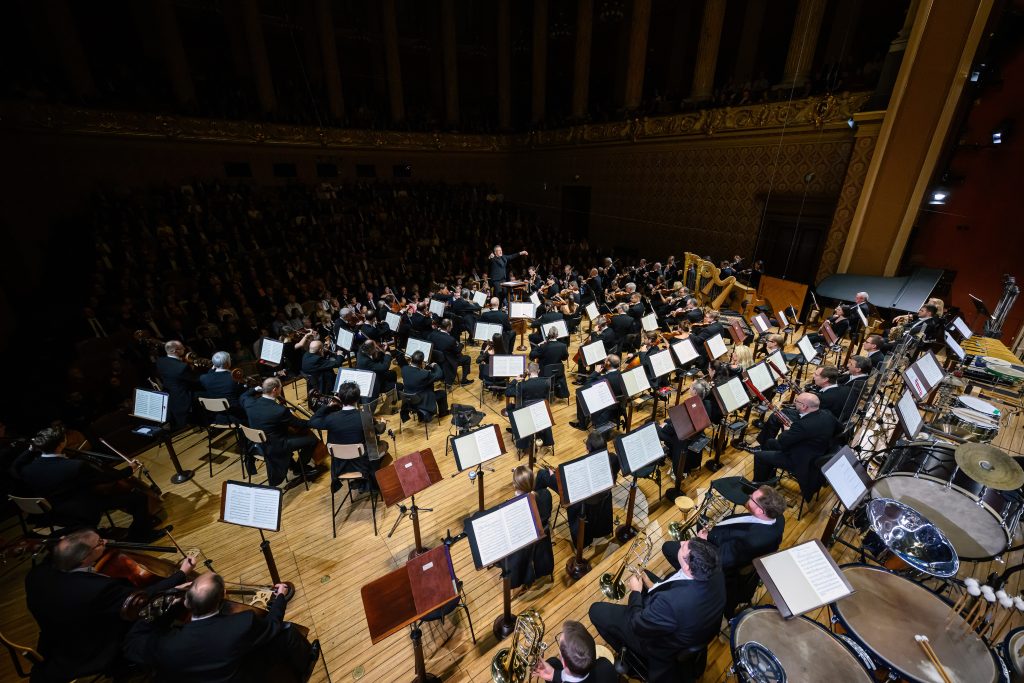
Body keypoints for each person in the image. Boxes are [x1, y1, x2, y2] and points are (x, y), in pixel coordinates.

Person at [25, 528, 194, 683]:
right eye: (99, 543)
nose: (106, 541)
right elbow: (140, 598)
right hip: (89, 648)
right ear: (84, 558)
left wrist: (60, 542)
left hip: (54, 640)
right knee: (163, 604)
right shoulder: (96, 589)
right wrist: (180, 574)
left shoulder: (36, 575)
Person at [123, 571, 319, 683]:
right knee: (287, 632)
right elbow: (273, 625)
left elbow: (132, 643)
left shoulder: (165, 645)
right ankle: (307, 663)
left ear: (187, 602)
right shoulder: (242, 623)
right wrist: (280, 597)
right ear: (224, 596)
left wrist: (171, 594)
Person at [588, 538, 725, 682]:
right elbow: (674, 590)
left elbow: (637, 623)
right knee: (645, 573)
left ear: (687, 567)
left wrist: (635, 592)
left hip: (659, 646)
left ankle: (630, 657)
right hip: (689, 627)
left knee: (596, 611)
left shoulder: (670, 603)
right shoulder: (715, 570)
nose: (681, 542)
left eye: (684, 546)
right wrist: (650, 585)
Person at [11, 425, 162, 542]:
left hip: (53, 513)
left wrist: (30, 450)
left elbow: (15, 466)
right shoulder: (74, 466)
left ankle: (138, 529)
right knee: (138, 497)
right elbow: (107, 478)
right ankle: (140, 535)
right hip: (83, 509)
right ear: (62, 443)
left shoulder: (28, 469)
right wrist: (130, 469)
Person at [664, 485, 786, 617]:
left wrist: (703, 541)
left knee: (669, 548)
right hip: (722, 536)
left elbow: (721, 559)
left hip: (721, 562)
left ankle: (692, 578)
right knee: (701, 520)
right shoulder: (778, 518)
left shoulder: (752, 541)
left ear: (760, 511)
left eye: (752, 498)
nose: (749, 496)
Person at [751, 392, 840, 494]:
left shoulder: (802, 425)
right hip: (818, 451)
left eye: (797, 401)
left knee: (759, 456)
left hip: (802, 461)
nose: (794, 402)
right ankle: (770, 478)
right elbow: (839, 430)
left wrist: (787, 430)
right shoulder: (827, 414)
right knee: (770, 443)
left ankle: (757, 489)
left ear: (804, 406)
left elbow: (782, 441)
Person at [240, 378, 319, 487]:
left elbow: (243, 396)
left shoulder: (249, 403)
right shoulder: (279, 411)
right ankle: (299, 468)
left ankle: (293, 465)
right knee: (312, 440)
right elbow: (298, 424)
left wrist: (254, 389)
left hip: (257, 445)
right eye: (280, 388)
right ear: (275, 390)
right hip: (275, 446)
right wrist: (313, 421)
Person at [308, 382, 382, 492]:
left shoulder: (331, 419)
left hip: (340, 466)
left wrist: (327, 407)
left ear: (340, 398)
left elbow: (311, 422)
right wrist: (383, 423)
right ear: (357, 398)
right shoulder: (364, 417)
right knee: (380, 445)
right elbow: (377, 431)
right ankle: (371, 484)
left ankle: (360, 483)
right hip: (362, 465)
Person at [501, 466, 554, 596]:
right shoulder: (546, 495)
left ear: (515, 485)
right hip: (543, 542)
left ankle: (521, 577)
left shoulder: (511, 507)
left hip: (524, 546)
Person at [531, 620, 618, 683]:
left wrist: (554, 678)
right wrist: (554, 675)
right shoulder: (605, 664)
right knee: (552, 662)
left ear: (564, 663)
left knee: (552, 661)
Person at [156, 340, 201, 429]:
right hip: (183, 398)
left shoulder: (160, 361)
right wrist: (194, 368)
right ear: (175, 351)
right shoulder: (182, 367)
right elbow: (196, 380)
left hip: (169, 395)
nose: (184, 348)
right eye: (182, 348)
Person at [199, 351, 247, 424]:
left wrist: (212, 368)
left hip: (218, 415)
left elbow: (210, 376)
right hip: (237, 415)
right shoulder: (234, 378)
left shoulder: (203, 378)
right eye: (230, 359)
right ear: (227, 363)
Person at [400, 350, 449, 421]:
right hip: (421, 401)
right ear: (422, 362)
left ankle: (421, 416)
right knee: (442, 393)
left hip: (409, 400)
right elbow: (439, 375)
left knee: (425, 388)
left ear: (411, 359)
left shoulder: (404, 369)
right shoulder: (424, 374)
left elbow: (414, 377)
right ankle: (443, 413)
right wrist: (435, 365)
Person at [429, 318, 474, 385]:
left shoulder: (433, 334)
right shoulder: (450, 340)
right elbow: (457, 350)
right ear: (447, 327)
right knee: (467, 358)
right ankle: (464, 380)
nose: (452, 327)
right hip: (449, 360)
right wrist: (461, 345)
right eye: (451, 326)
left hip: (437, 358)